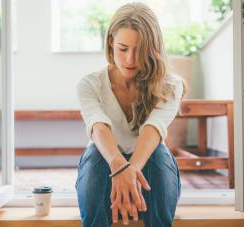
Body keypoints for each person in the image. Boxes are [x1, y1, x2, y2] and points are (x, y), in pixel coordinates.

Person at [75, 2, 186, 227]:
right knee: (97, 153)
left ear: (153, 49)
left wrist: (130, 172)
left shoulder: (170, 85)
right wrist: (119, 167)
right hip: (105, 169)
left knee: (157, 154)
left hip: (150, 176)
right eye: (123, 48)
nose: (130, 59)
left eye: (140, 50)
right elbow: (98, 127)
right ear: (110, 43)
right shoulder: (89, 84)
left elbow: (153, 129)